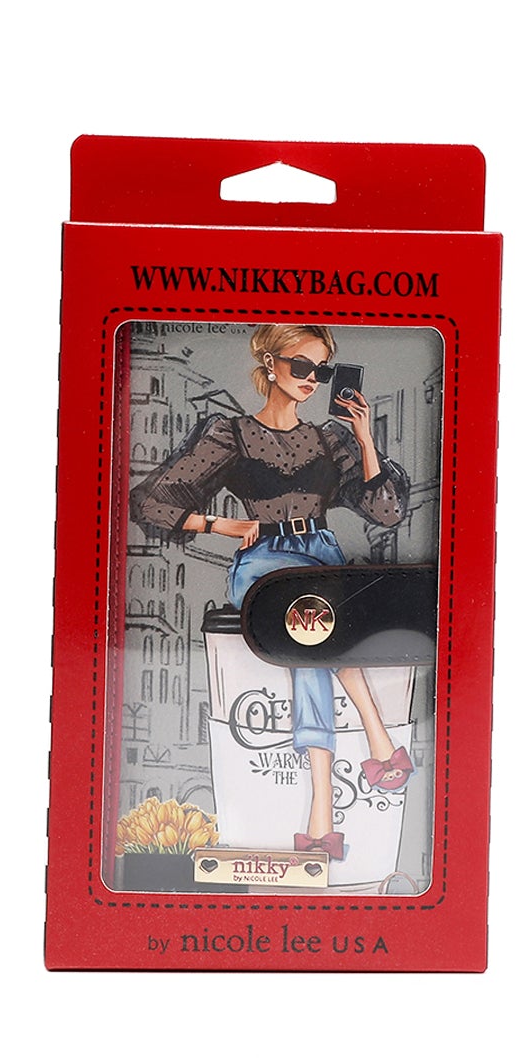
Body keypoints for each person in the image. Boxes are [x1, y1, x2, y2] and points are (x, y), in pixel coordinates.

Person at [129, 324, 415, 859]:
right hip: (264, 564)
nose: (311, 379)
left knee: (312, 641)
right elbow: (149, 502)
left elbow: (386, 512)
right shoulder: (231, 434)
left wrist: (365, 439)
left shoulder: (329, 440)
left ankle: (321, 815)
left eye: (321, 371)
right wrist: (218, 524)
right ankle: (379, 743)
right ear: (270, 363)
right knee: (314, 618)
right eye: (300, 366)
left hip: (322, 559)